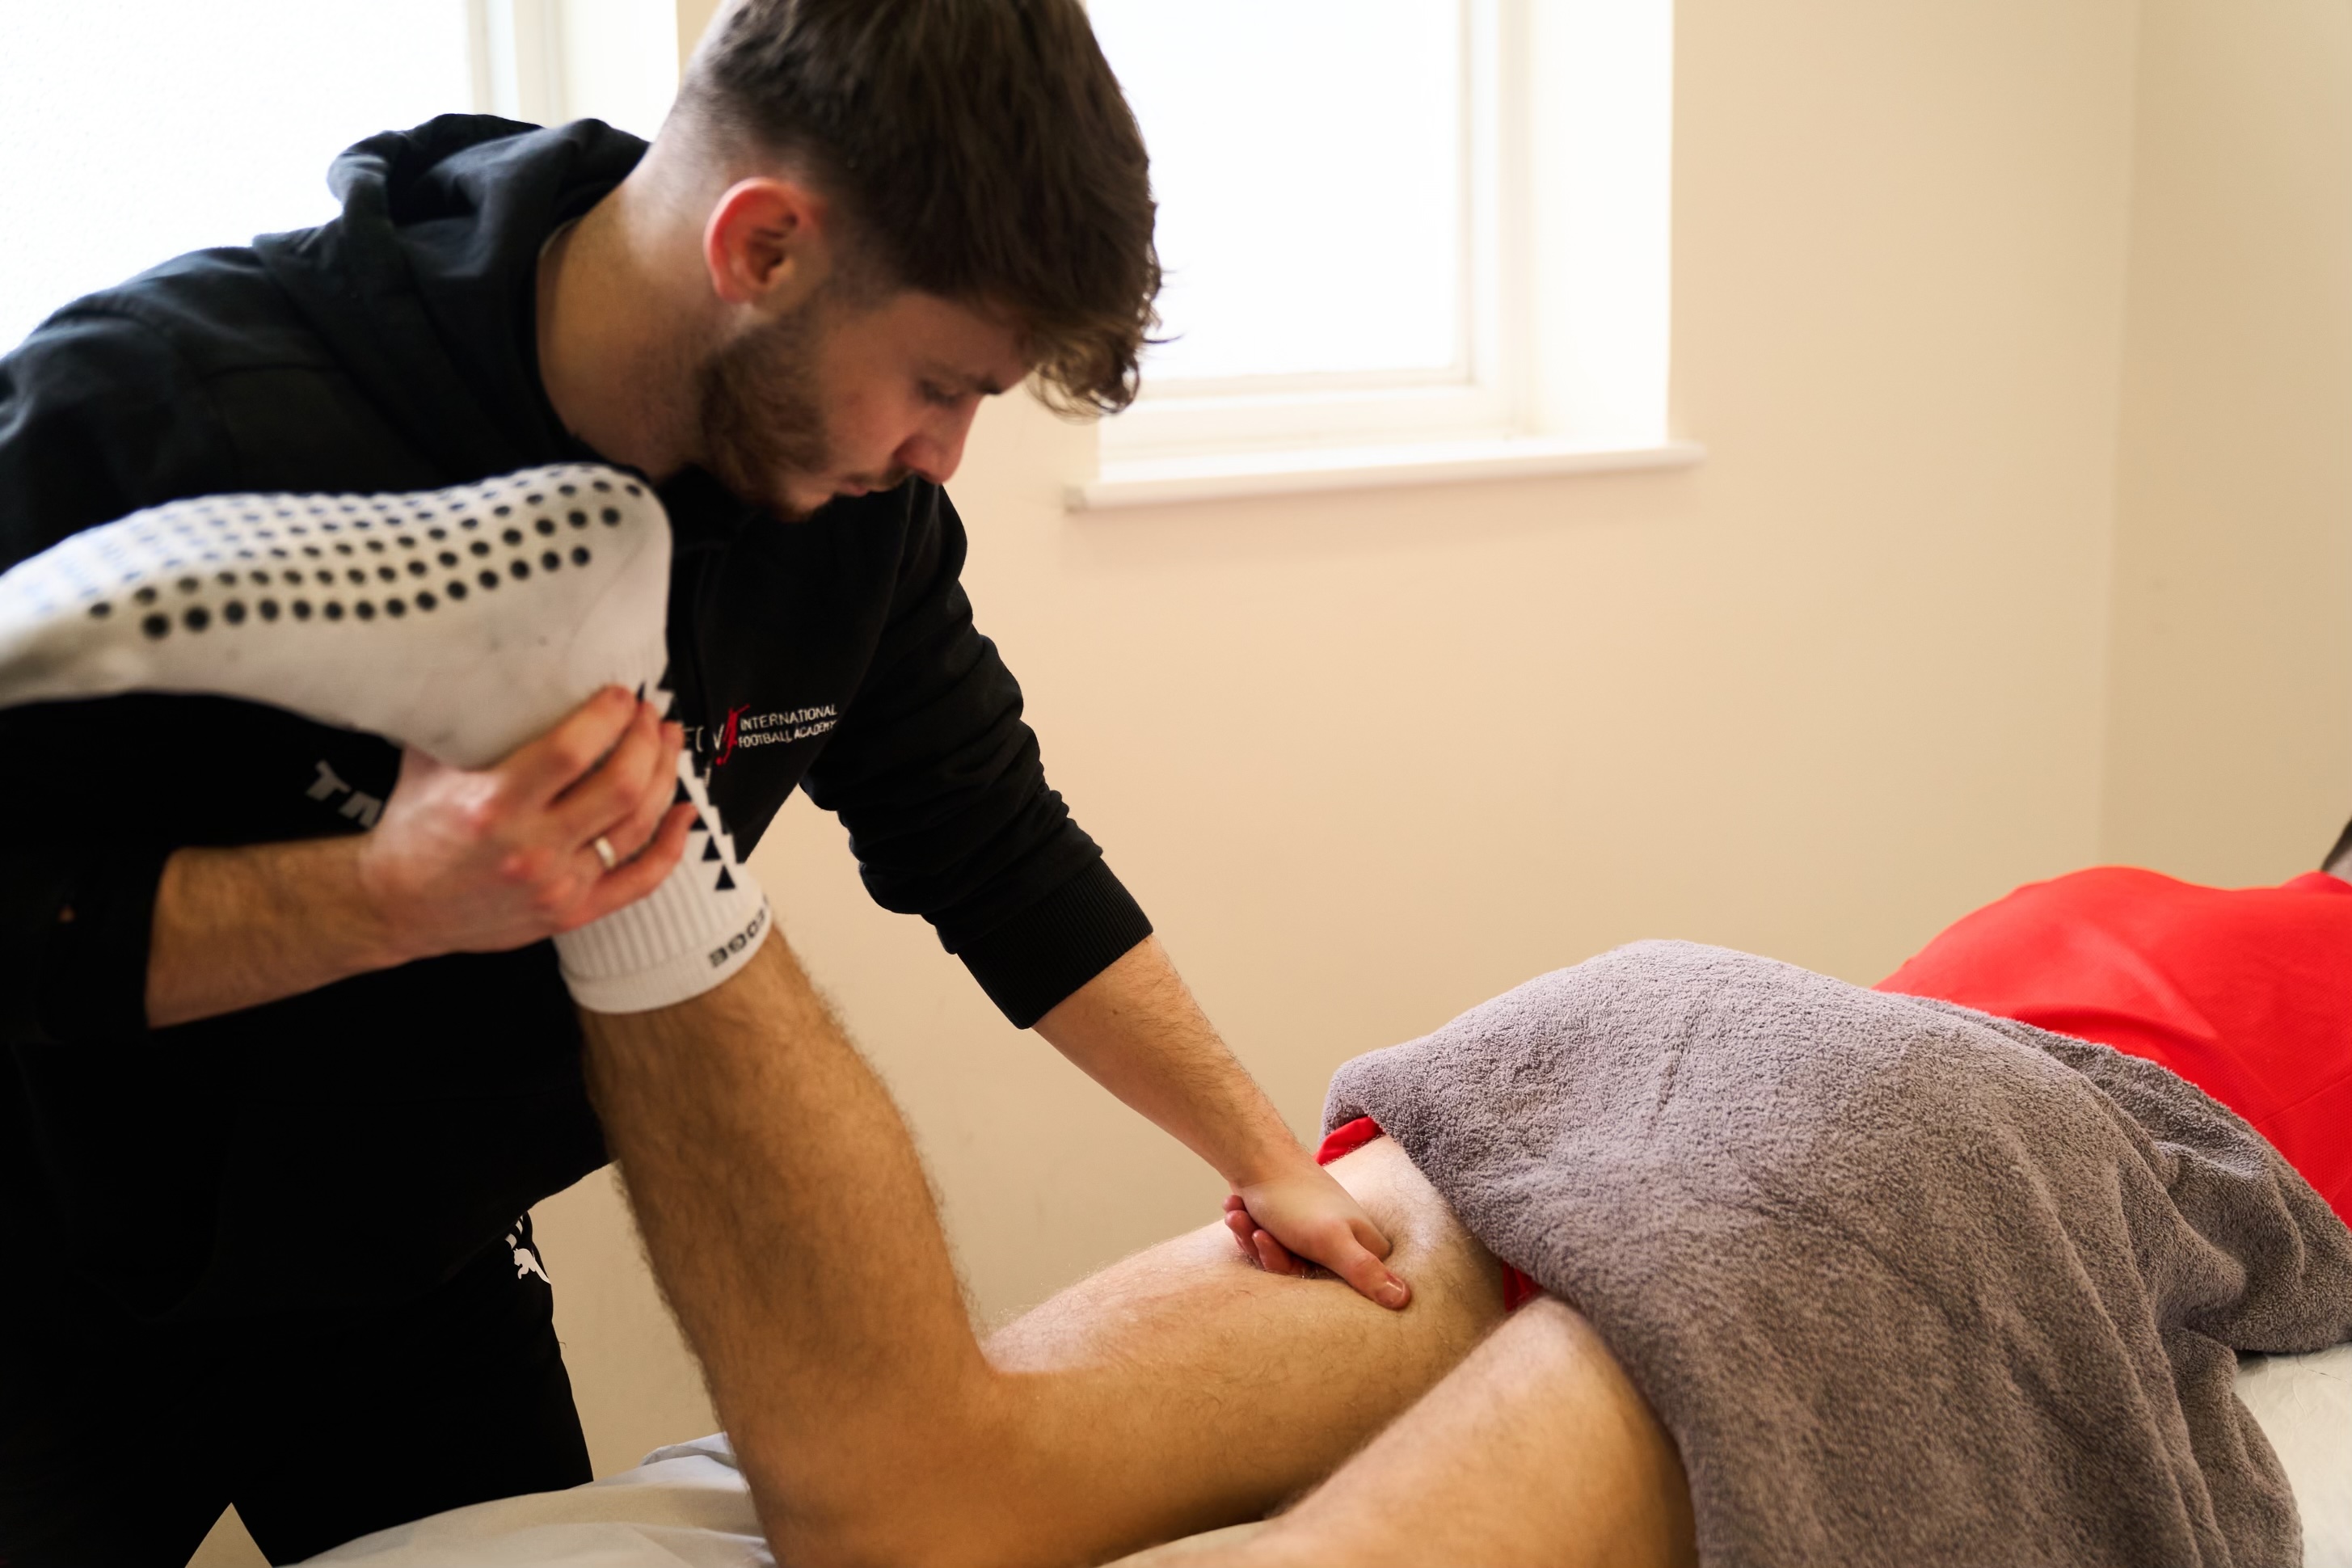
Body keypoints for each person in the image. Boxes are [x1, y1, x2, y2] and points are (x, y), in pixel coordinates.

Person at [0, 3, 1403, 1562]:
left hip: (418, 1275)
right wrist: (380, 898)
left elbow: (991, 840)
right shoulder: (158, 406)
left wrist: (1270, 1161)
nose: (945, 454)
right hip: (46, 1268)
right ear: (764, 249)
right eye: (940, 383)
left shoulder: (850, 508)